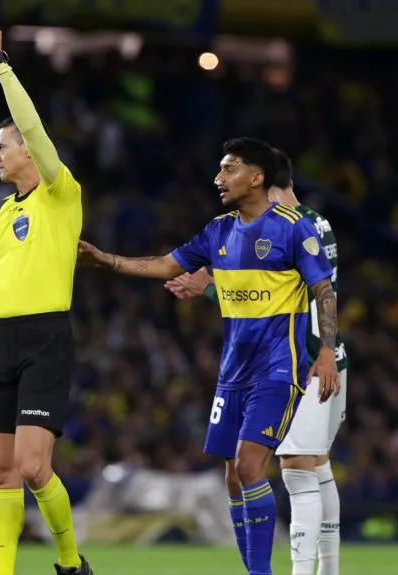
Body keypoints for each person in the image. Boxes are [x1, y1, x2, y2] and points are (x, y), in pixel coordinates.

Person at [77, 137, 340, 575]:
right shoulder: (218, 230)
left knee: (250, 465)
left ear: (256, 177)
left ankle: (261, 573)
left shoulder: (294, 227)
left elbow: (323, 290)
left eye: (229, 168)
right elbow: (166, 265)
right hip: (232, 372)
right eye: (219, 169)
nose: (218, 178)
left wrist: (326, 352)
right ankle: (251, 567)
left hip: (279, 367)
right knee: (233, 477)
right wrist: (106, 260)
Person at [164, 148, 345, 575]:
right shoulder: (258, 228)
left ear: (274, 186)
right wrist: (212, 287)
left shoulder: (306, 225)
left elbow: (312, 295)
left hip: (309, 359)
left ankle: (314, 571)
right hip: (271, 360)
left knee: (300, 463)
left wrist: (325, 354)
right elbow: (259, 291)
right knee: (296, 463)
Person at [0, 23, 91, 575]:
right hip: (1, 340)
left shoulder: (61, 193)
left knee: (35, 467)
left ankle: (68, 561)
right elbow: (0, 285)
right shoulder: (3, 212)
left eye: (1, 147)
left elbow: (32, 125)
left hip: (44, 337)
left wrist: (0, 64)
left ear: (27, 152)